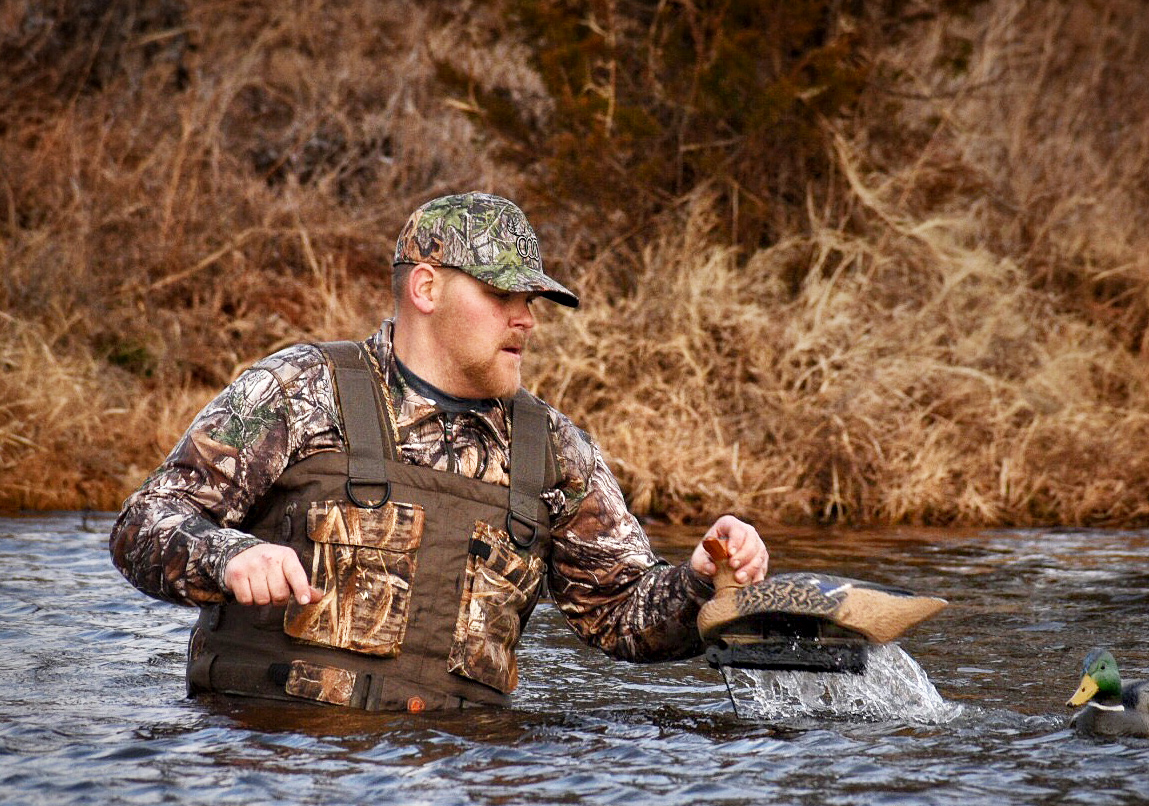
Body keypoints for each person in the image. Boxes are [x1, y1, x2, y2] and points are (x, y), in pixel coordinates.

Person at [110, 192, 768, 712]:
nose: (527, 319)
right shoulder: (299, 389)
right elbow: (143, 526)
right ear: (425, 289)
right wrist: (227, 555)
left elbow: (621, 613)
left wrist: (702, 579)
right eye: (501, 295)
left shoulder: (556, 451)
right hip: (278, 787)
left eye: (531, 300)